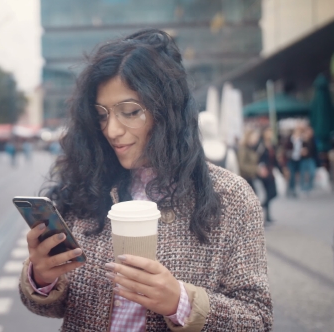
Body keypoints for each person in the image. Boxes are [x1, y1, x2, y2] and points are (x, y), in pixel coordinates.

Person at [19, 29, 272, 331]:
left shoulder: (231, 196)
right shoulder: (87, 185)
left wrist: (180, 301)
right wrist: (43, 277)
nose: (111, 130)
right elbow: (54, 306)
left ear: (167, 112)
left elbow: (257, 320)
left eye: (129, 111)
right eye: (101, 115)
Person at [257, 127, 281, 223]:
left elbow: (275, 160)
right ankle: (265, 213)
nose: (270, 134)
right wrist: (260, 168)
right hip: (263, 172)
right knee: (267, 193)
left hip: (271, 172)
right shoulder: (260, 145)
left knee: (273, 193)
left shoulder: (272, 145)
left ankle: (264, 209)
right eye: (268, 132)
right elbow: (257, 158)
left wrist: (281, 170)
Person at [285, 125, 304, 197]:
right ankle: (291, 189)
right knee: (292, 174)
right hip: (291, 159)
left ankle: (292, 189)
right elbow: (286, 149)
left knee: (296, 175)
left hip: (298, 159)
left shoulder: (301, 140)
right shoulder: (290, 139)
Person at [300, 127, 318, 193]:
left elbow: (314, 150)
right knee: (303, 174)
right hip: (304, 159)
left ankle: (309, 186)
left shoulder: (313, 140)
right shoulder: (302, 140)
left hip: (311, 159)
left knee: (312, 173)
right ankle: (303, 187)